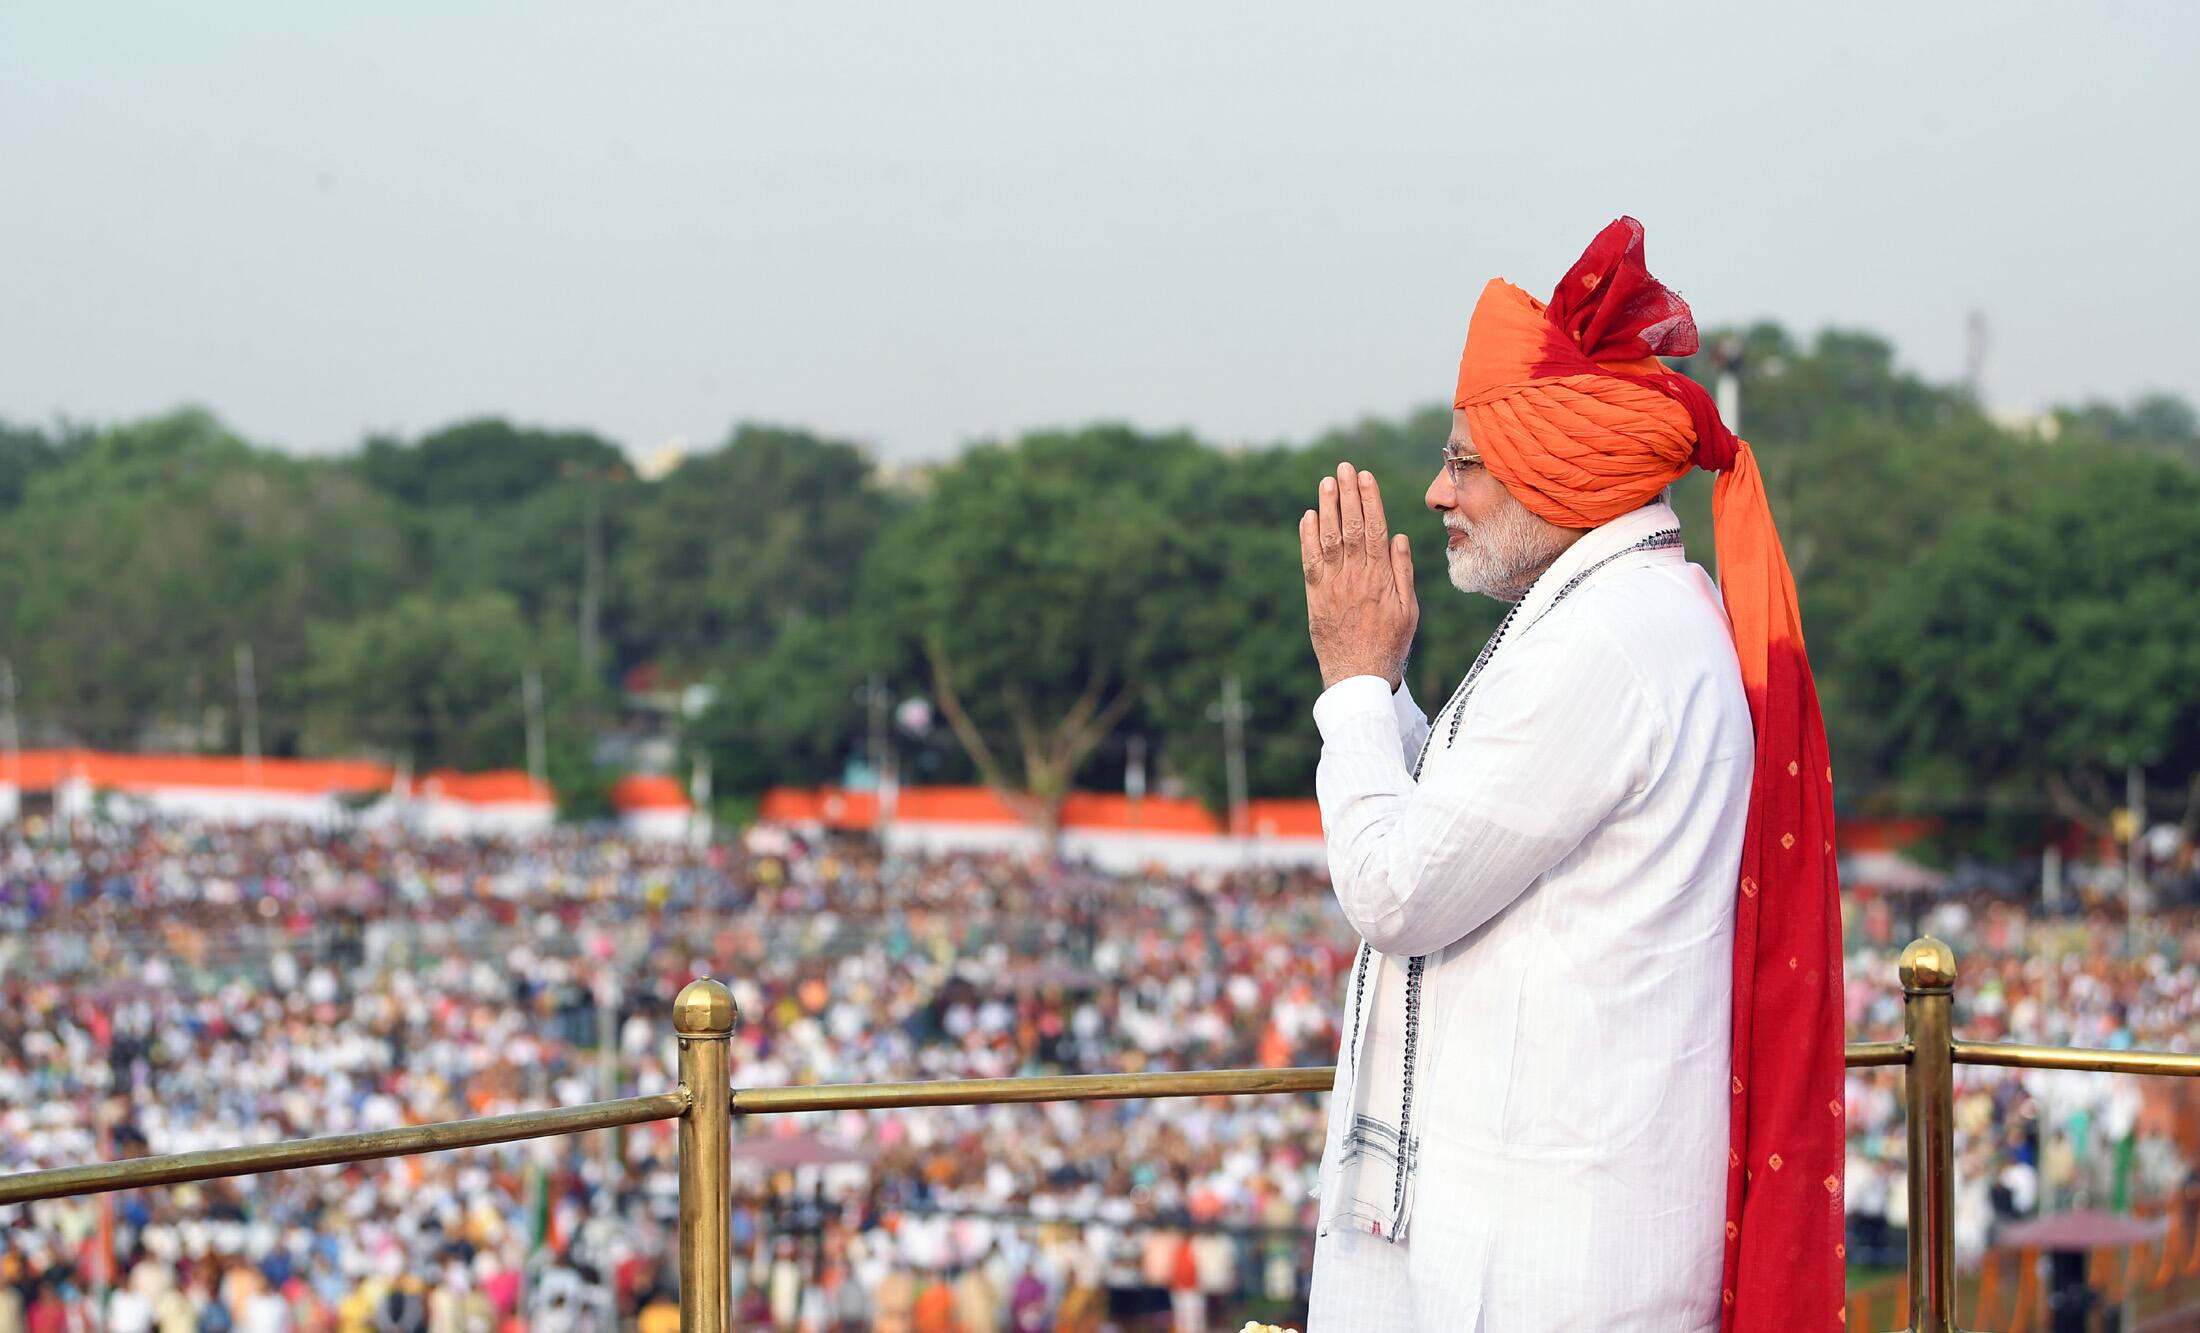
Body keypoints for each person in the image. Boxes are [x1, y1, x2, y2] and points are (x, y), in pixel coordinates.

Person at [1297, 217, 1843, 1330]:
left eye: (1463, 462)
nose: (1437, 495)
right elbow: (1467, 823)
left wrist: (1353, 683)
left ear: (1559, 465)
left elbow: (1397, 888)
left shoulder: (1606, 641)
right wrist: (1390, 686)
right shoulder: (1617, 611)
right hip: (1549, 1236)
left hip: (1545, 1263)